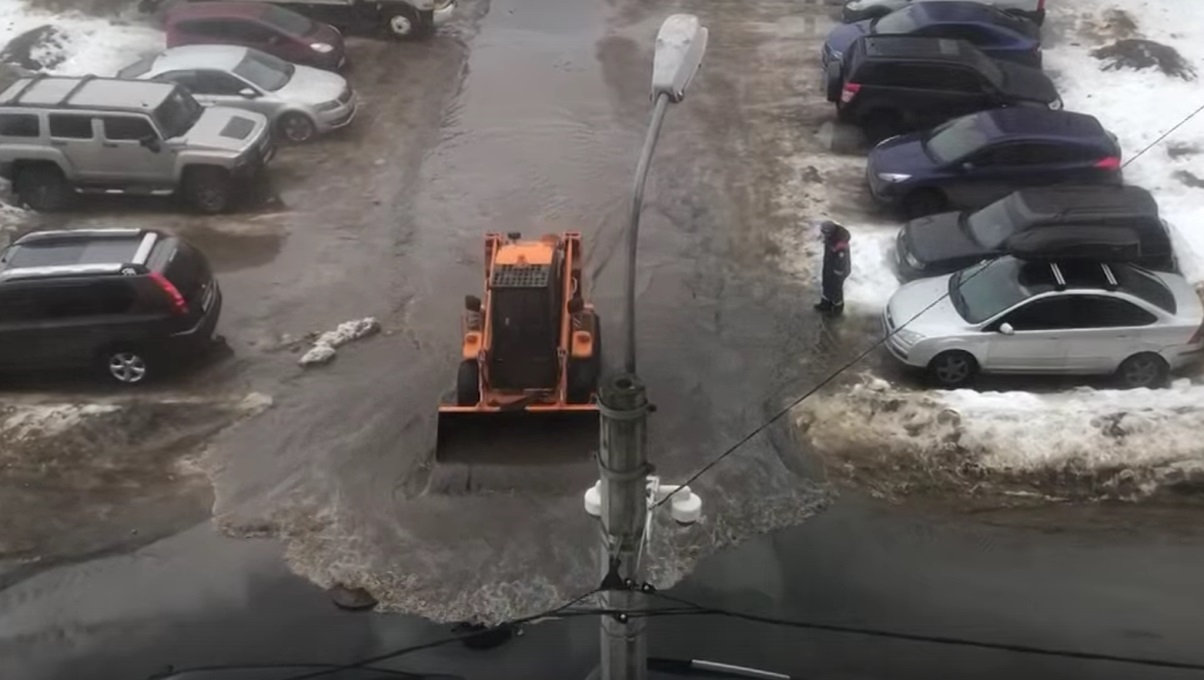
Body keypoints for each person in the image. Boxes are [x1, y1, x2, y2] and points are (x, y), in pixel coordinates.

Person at [814, 220, 851, 317]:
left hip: (838, 270)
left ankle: (837, 310)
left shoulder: (840, 244)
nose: (823, 236)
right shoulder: (831, 238)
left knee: (836, 290)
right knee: (826, 284)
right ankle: (825, 304)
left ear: (829, 233)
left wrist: (838, 272)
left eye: (824, 233)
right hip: (830, 266)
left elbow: (842, 261)